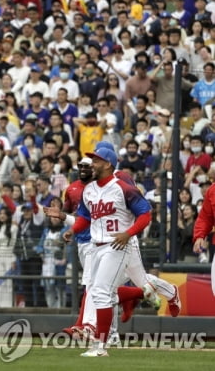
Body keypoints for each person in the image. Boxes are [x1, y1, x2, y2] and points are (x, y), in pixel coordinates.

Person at [62, 143, 159, 357]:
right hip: (96, 246)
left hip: (116, 245)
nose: (92, 163)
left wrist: (129, 233)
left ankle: (100, 346)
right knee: (97, 292)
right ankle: (141, 294)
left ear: (107, 164)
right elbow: (85, 218)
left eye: (96, 160)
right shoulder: (89, 190)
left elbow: (145, 214)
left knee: (102, 292)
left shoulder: (123, 187)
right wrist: (73, 230)